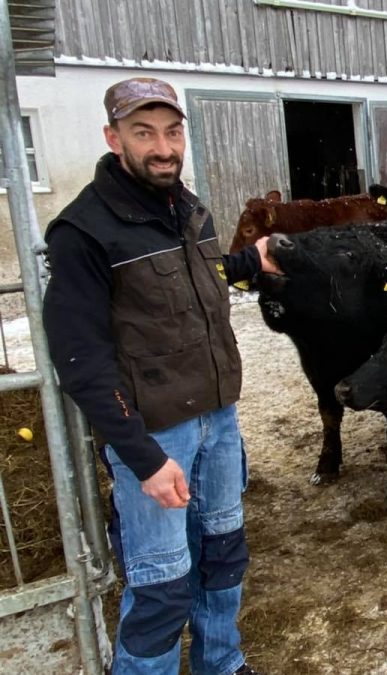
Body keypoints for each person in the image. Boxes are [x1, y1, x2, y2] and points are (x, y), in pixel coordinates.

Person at [42, 77, 279, 675]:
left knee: (223, 555)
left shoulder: (188, 211)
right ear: (113, 137)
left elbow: (196, 282)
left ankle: (221, 663)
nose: (163, 147)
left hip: (218, 422)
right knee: (161, 582)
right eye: (143, 132)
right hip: (154, 436)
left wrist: (250, 261)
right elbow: (79, 359)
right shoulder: (84, 232)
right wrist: (143, 458)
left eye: (172, 131)